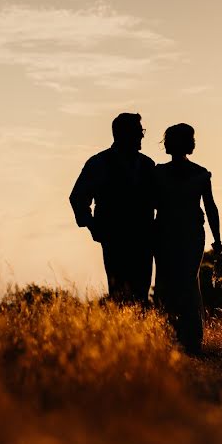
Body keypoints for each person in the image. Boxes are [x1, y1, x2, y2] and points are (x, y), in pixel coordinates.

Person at [69, 112, 155, 305]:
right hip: (114, 238)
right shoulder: (99, 163)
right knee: (119, 294)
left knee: (141, 293)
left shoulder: (147, 165)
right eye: (139, 131)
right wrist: (93, 226)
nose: (142, 136)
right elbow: (78, 197)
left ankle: (138, 334)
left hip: (143, 238)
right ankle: (120, 334)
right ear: (125, 133)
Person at [153, 123, 222, 355]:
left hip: (172, 235)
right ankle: (185, 341)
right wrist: (218, 241)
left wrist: (218, 241)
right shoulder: (198, 174)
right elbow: (210, 208)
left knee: (171, 284)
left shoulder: (160, 173)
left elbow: (210, 208)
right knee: (185, 285)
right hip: (181, 235)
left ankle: (179, 340)